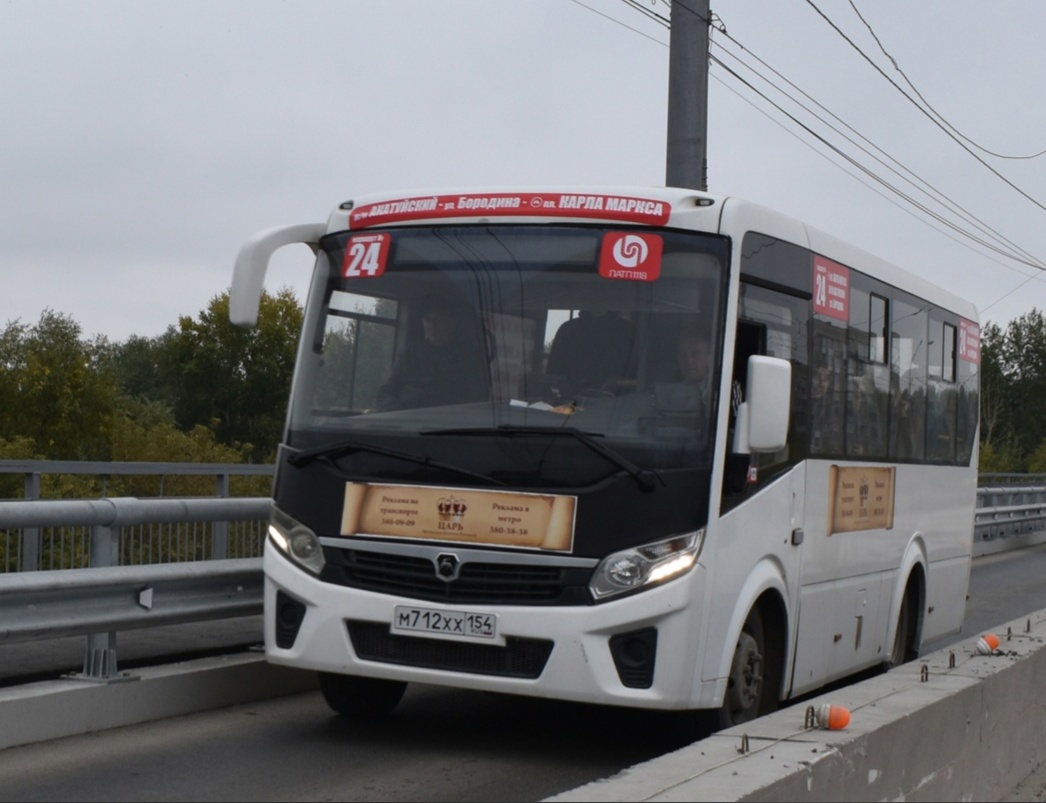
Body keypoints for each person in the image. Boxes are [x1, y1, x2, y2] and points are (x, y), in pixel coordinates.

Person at [376, 302, 489, 411]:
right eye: (427, 320)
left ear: (450, 321)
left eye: (438, 319)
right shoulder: (409, 354)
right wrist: (392, 410)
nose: (432, 326)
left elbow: (478, 397)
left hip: (449, 423)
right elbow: (387, 391)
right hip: (407, 422)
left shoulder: (468, 357)